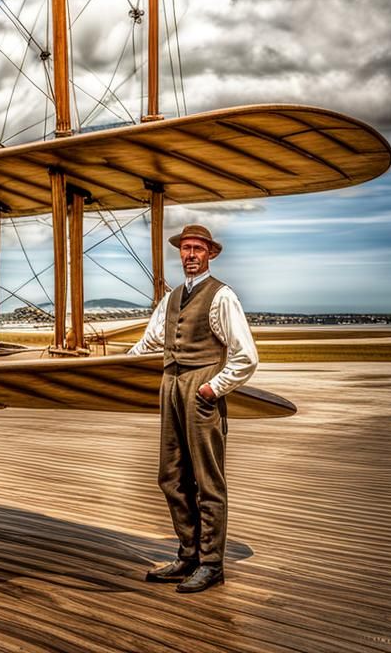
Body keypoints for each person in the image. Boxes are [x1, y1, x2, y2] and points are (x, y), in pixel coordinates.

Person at [129, 224, 258, 593]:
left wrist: (212, 388)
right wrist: (112, 367)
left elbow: (246, 356)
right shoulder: (169, 300)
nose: (190, 254)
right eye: (185, 248)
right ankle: (187, 555)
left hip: (200, 394)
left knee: (208, 481)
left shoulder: (221, 296)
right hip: (169, 390)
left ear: (210, 254)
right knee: (170, 476)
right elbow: (148, 343)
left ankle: (212, 564)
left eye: (197, 249)